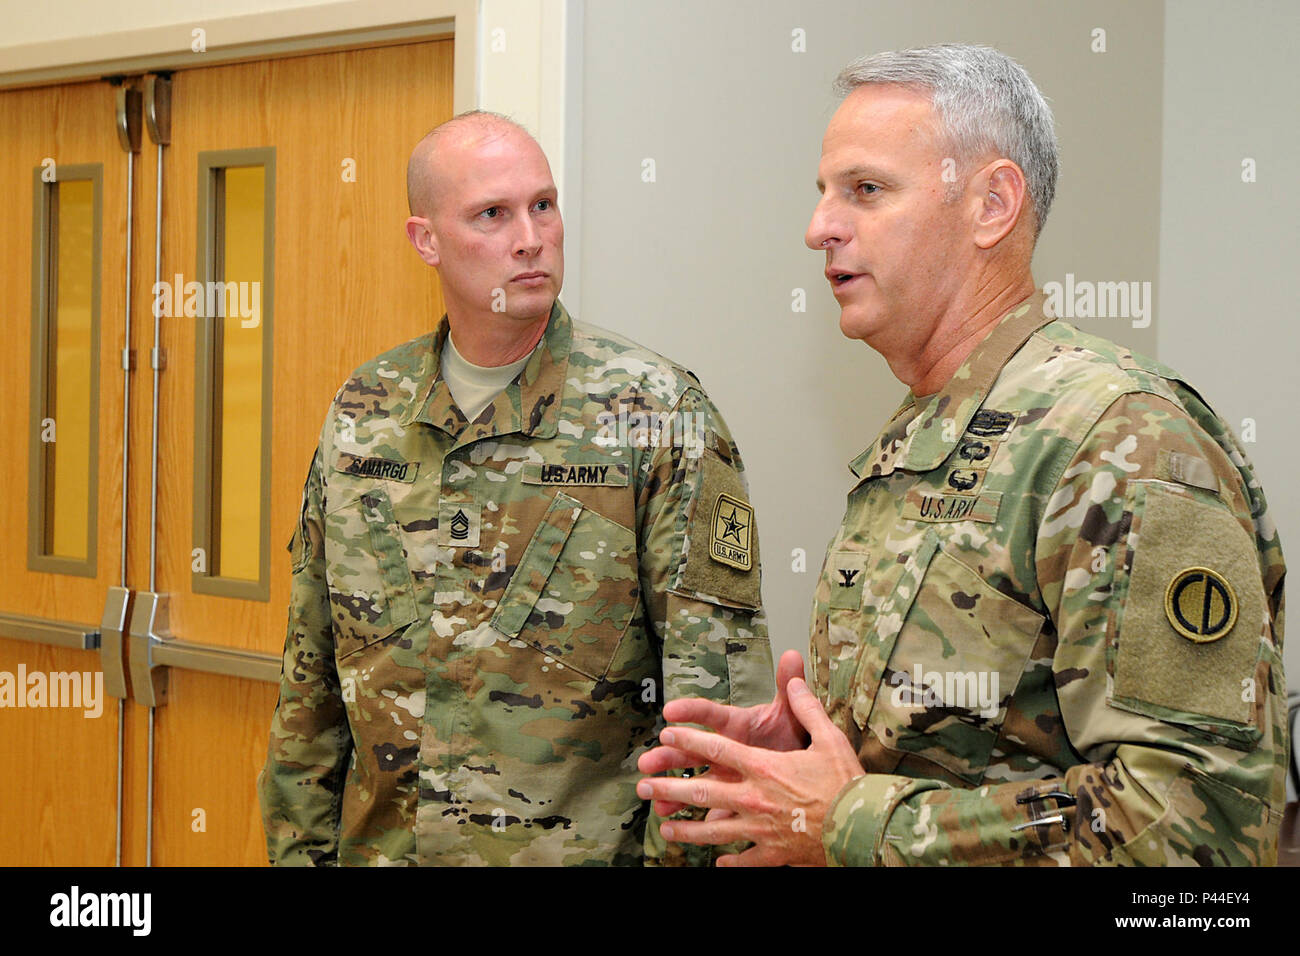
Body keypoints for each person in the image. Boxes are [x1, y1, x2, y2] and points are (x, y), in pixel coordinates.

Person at [637, 44, 1287, 866]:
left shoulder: (1126, 441)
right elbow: (971, 749)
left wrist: (850, 821)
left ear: (992, 205)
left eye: (866, 190)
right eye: (824, 193)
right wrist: (815, 754)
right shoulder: (923, 438)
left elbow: (1204, 837)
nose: (818, 228)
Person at [257, 111, 775, 866]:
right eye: (492, 215)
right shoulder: (365, 412)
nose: (530, 237)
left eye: (544, 205)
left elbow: (716, 707)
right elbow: (311, 678)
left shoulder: (655, 414)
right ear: (425, 240)